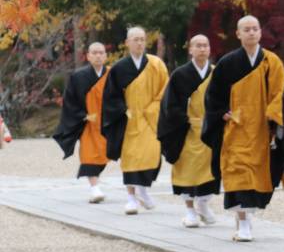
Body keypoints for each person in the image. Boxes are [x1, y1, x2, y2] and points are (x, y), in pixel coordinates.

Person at [202, 15, 284, 242]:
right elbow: (213, 95)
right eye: (246, 29)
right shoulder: (227, 63)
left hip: (260, 129)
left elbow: (280, 93)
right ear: (238, 34)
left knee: (257, 174)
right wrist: (221, 113)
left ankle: (246, 218)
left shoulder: (272, 62)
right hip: (236, 128)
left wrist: (273, 118)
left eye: (255, 29)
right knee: (237, 172)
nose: (251, 33)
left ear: (260, 32)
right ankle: (244, 222)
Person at [102, 27, 168, 215]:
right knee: (130, 159)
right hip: (129, 120)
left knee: (151, 155)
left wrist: (153, 109)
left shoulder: (156, 64)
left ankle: (143, 189)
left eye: (142, 39)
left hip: (150, 119)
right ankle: (131, 197)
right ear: (127, 43)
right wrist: (122, 112)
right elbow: (110, 96)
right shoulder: (119, 68)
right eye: (135, 39)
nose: (139, 43)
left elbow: (165, 89)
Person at [157, 34, 219, 228]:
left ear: (210, 49)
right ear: (190, 50)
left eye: (205, 45)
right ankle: (190, 210)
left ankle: (203, 203)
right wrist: (184, 120)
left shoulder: (216, 73)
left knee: (212, 170)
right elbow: (170, 105)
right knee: (187, 171)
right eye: (198, 46)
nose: (202, 49)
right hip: (186, 131)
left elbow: (223, 100)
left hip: (210, 130)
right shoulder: (180, 75)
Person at [53, 42, 110, 203]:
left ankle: (96, 183)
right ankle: (94, 188)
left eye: (101, 52)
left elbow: (118, 97)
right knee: (89, 154)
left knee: (105, 153)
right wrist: (82, 115)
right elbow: (70, 100)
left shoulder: (112, 74)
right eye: (95, 53)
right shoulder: (78, 76)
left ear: (105, 56)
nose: (98, 55)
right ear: (88, 56)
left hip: (106, 123)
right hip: (88, 123)